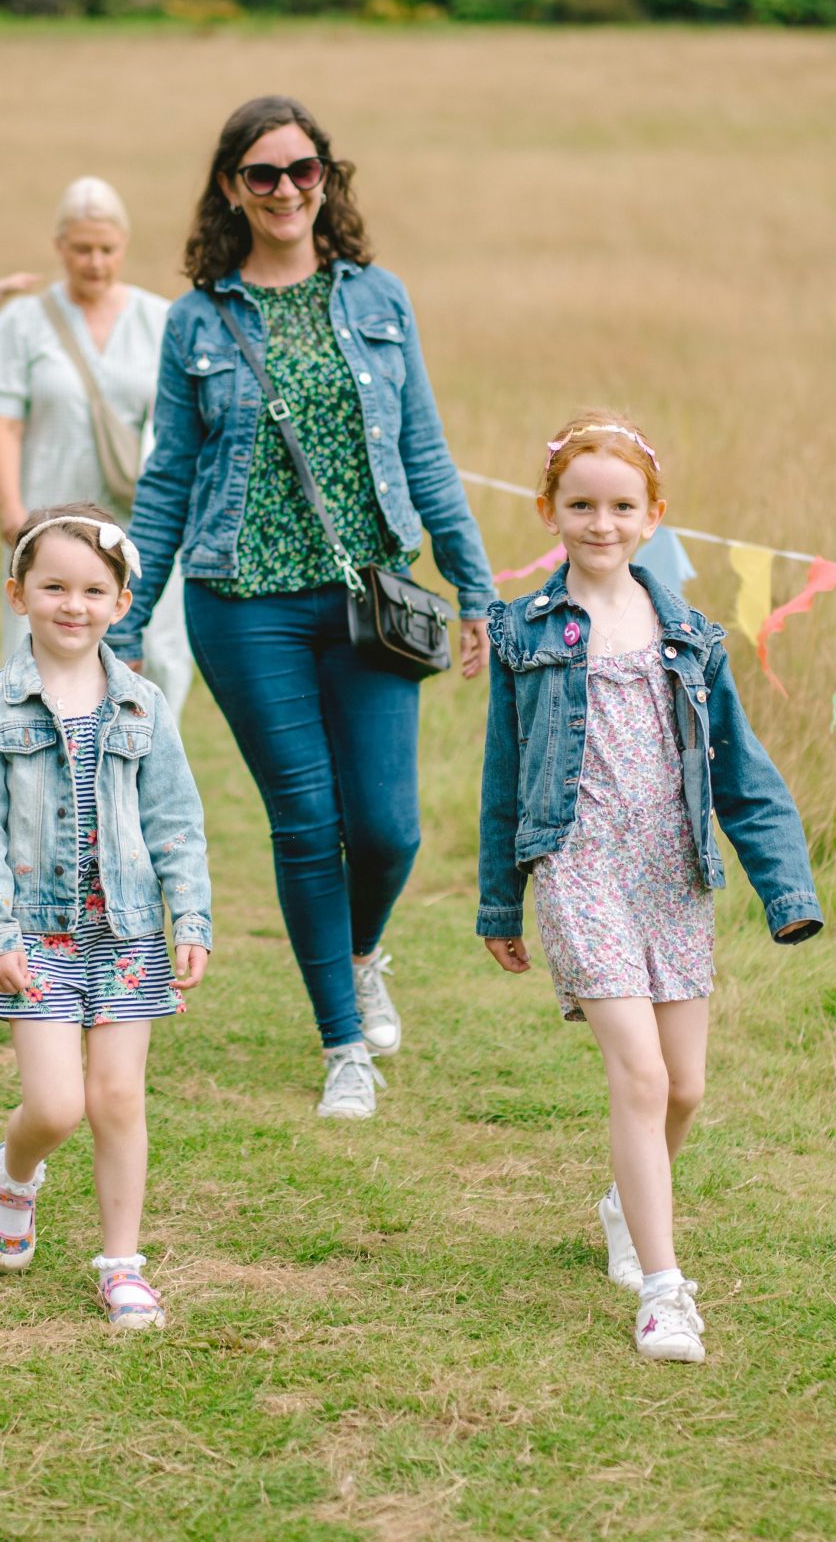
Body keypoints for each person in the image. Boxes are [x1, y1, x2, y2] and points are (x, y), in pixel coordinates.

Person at [108, 96, 496, 1122]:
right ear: (231, 189)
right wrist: (125, 619)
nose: (285, 190)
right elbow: (167, 481)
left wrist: (477, 590)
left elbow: (423, 453)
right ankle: (341, 1047)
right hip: (240, 603)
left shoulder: (376, 300)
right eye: (262, 174)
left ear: (329, 178)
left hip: (370, 597)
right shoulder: (199, 317)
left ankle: (361, 953)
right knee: (305, 820)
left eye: (302, 170)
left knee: (386, 828)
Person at [476, 414, 824, 1365]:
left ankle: (629, 1203)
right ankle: (666, 1293)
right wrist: (501, 899)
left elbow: (743, 773)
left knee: (688, 1085)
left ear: (654, 516)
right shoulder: (523, 632)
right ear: (549, 512)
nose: (600, 522)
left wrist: (783, 885)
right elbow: (504, 774)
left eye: (620, 505)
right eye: (580, 504)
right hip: (579, 864)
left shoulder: (691, 635)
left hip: (673, 869)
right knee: (640, 1074)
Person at [0, 503, 211, 1329]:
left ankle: (122, 1262)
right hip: (37, 934)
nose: (73, 604)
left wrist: (192, 921)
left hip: (129, 934)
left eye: (93, 589)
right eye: (54, 586)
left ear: (121, 601)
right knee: (58, 1104)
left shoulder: (142, 703)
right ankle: (14, 1173)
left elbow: (176, 820)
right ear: (18, 593)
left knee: (117, 1098)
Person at [0, 177, 193, 714]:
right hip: (49, 519)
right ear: (60, 247)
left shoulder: (160, 320)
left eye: (107, 249)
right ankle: (44, 777)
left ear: (123, 245)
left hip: (143, 520)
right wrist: (11, 508)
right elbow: (3, 421)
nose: (95, 262)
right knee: (43, 652)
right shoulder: (22, 324)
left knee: (155, 655)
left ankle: (144, 777)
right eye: (81, 249)